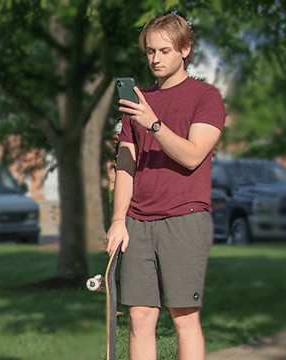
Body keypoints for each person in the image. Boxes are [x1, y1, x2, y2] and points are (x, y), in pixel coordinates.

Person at [105, 12, 227, 360]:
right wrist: (118, 220)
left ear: (185, 49)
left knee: (184, 316)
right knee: (140, 317)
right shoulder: (138, 102)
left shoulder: (206, 97)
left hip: (184, 219)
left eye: (163, 51)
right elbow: (126, 164)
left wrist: (154, 124)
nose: (155, 59)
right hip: (138, 222)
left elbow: (192, 156)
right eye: (149, 52)